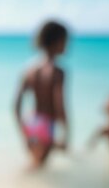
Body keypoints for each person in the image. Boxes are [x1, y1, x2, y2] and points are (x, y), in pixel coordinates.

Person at [14, 21, 69, 169]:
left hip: (31, 120)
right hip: (46, 123)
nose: (67, 45)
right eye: (65, 41)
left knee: (35, 164)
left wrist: (22, 129)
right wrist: (66, 134)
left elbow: (16, 104)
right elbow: (60, 105)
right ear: (57, 42)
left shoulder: (30, 69)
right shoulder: (58, 72)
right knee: (38, 166)